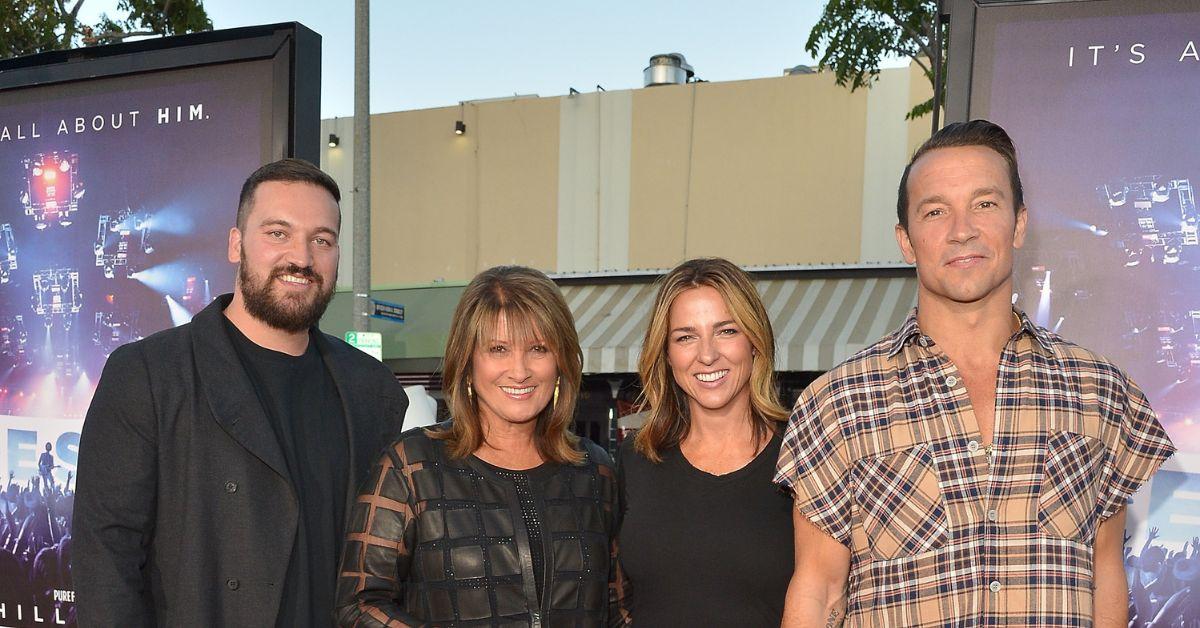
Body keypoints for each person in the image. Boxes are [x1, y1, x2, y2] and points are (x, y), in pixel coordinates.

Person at [775, 120, 1176, 626]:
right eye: (935, 211)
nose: (961, 229)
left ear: (1020, 223)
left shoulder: (1100, 390)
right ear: (906, 239)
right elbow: (820, 590)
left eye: (984, 204)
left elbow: (1107, 575)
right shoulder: (837, 403)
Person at [73, 158, 408, 626]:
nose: (302, 258)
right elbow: (106, 564)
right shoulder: (149, 376)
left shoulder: (372, 390)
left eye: (322, 240)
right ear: (236, 244)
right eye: (278, 233)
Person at [335, 265, 616, 626]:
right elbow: (358, 605)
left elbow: (616, 604)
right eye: (498, 349)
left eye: (538, 348)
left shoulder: (595, 470)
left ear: (561, 360)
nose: (519, 370)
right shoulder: (411, 466)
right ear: (467, 361)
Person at [612, 257, 793, 626]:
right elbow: (620, 594)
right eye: (685, 337)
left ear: (755, 341)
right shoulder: (637, 459)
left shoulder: (801, 455)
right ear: (666, 354)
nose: (707, 355)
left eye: (726, 331)